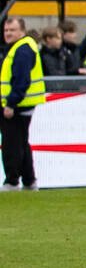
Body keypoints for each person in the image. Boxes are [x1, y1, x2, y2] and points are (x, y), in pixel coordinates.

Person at [0, 15, 45, 188]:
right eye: (6, 30)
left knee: (12, 143)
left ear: (22, 31)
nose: (8, 34)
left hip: (18, 104)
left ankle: (12, 181)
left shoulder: (22, 50)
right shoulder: (21, 47)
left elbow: (21, 80)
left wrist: (11, 103)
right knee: (21, 142)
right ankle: (29, 180)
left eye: (12, 30)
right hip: (22, 103)